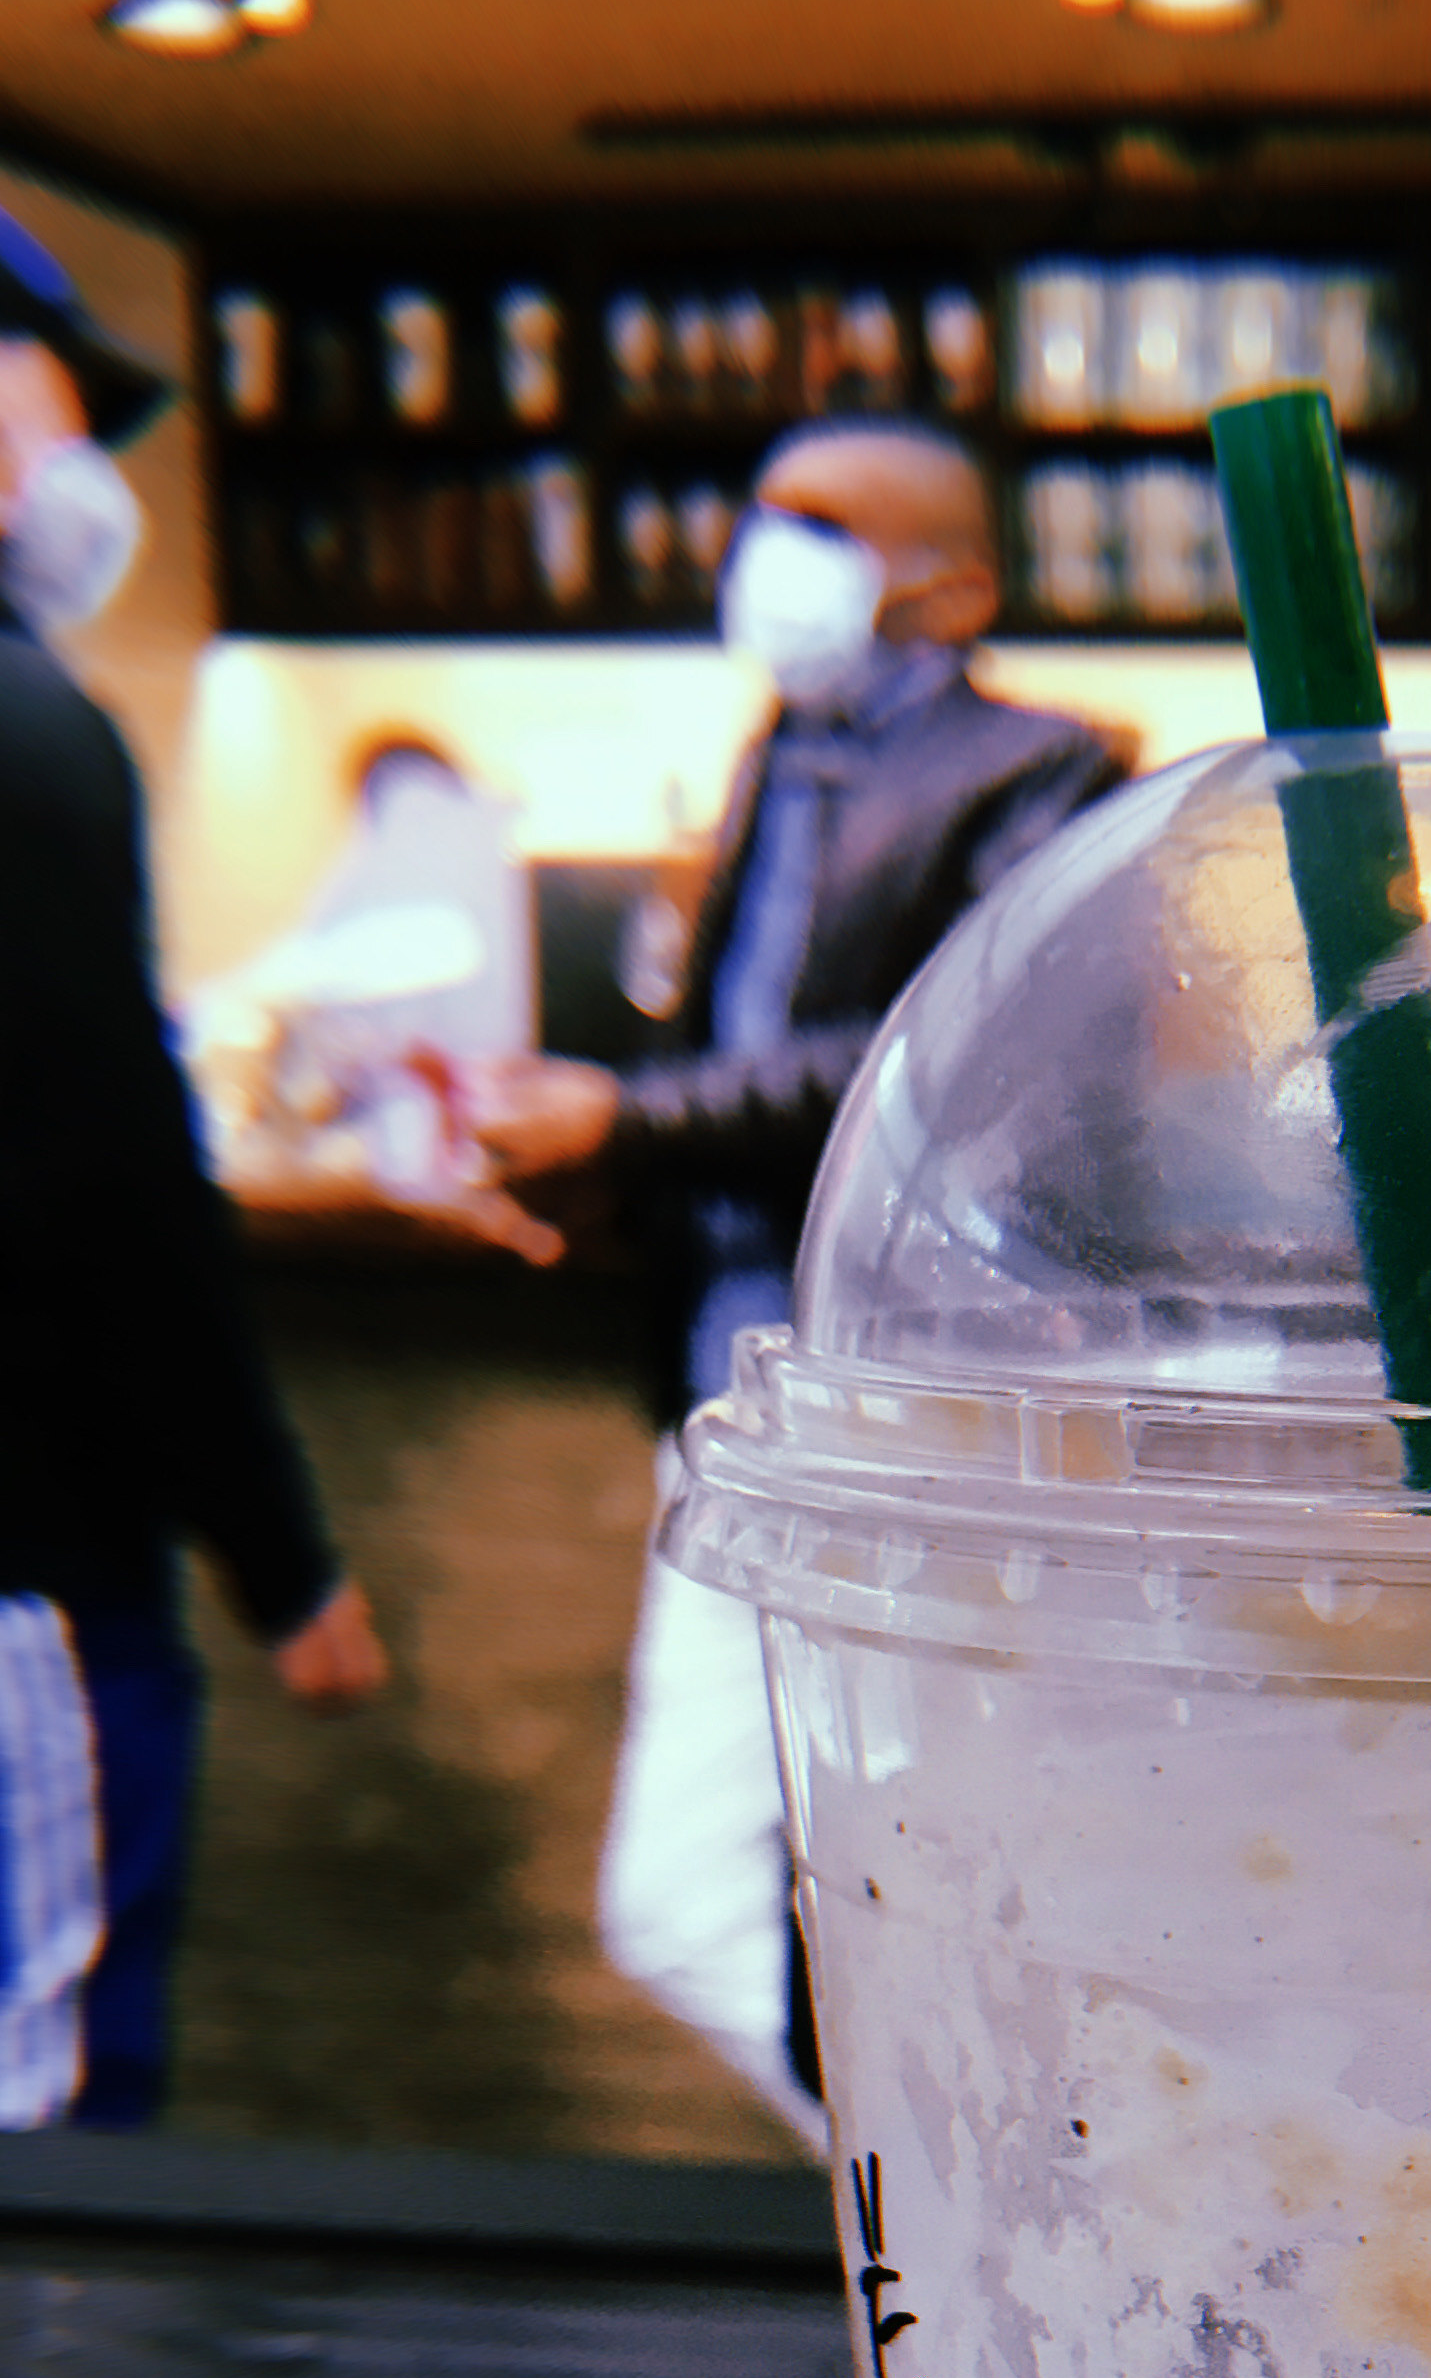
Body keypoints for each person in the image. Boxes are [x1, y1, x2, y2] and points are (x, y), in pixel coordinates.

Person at [468, 420, 1122, 2144]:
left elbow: (945, 1051)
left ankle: (975, 2210)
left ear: (957, 585)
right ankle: (934, 2204)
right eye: (765, 515)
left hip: (914, 1429)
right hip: (729, 1396)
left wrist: (625, 1119)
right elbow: (747, 1060)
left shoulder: (1040, 775)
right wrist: (606, 1177)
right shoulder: (781, 759)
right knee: (683, 1904)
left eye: (826, 526)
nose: (770, 556)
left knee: (920, 1885)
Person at [0, 214, 386, 2134]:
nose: (82, 465)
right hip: (30, 1575)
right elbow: (115, 1187)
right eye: (57, 406)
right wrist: (285, 1558)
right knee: (50, 2120)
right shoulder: (29, 733)